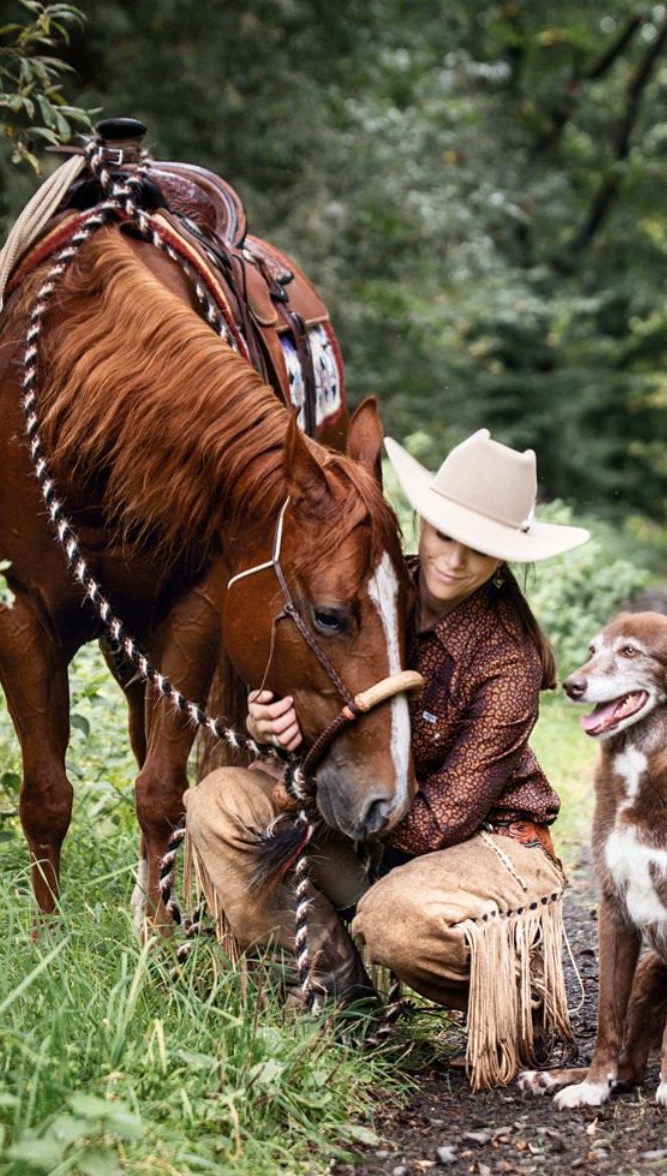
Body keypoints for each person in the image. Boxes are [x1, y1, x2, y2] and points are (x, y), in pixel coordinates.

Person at [181, 429, 590, 1088]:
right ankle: (335, 1008)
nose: (455, 559)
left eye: (481, 547)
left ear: (508, 558)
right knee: (222, 806)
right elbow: (314, 681)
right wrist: (268, 719)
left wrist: (303, 785)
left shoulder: (506, 661)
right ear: (423, 520)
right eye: (445, 533)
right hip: (372, 823)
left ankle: (516, 997)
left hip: (482, 844)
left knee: (396, 921)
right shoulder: (374, 584)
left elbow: (434, 827)